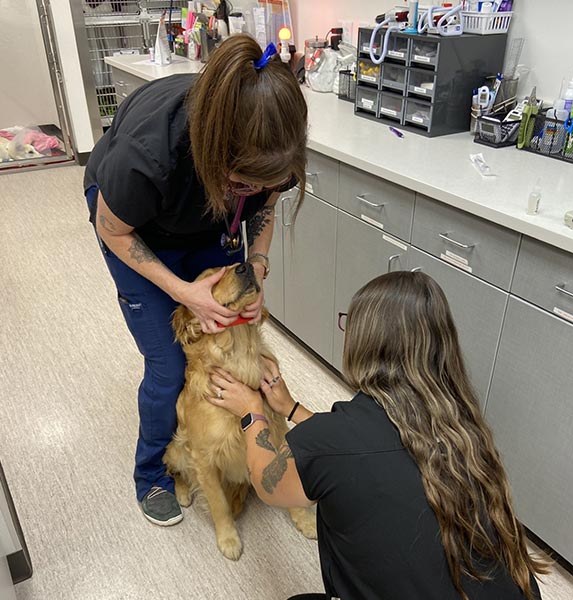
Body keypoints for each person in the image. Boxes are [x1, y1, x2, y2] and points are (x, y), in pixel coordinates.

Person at [208, 271, 548, 600]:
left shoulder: (334, 441)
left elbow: (269, 485)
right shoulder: (464, 428)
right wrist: (293, 409)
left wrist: (252, 412)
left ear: (362, 342)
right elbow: (370, 449)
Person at [83, 35, 307, 526]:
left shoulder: (273, 153)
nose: (260, 191)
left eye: (267, 182)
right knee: (168, 361)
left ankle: (242, 440)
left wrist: (259, 269)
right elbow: (112, 228)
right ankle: (153, 475)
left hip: (203, 211)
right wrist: (183, 292)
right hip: (131, 225)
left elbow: (264, 208)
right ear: (214, 151)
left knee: (231, 328)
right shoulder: (150, 153)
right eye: (245, 182)